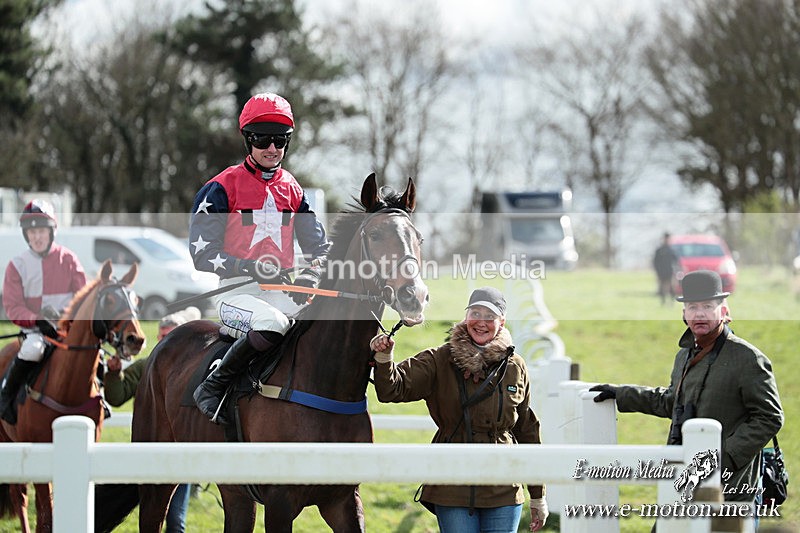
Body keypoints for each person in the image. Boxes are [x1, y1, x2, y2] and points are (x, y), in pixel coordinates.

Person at [188, 92, 331, 425]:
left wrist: (310, 276)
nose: (272, 148)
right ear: (248, 139)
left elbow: (320, 248)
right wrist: (248, 266)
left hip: (280, 292)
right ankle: (213, 386)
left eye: (280, 140)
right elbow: (200, 253)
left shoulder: (294, 190)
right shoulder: (221, 187)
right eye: (264, 139)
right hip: (234, 294)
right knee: (273, 323)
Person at [591, 271, 783, 509]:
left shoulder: (748, 358)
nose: (699, 313)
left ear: (723, 311)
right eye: (692, 307)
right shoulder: (684, 355)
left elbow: (770, 418)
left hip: (731, 490)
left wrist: (725, 457)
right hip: (683, 479)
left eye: (707, 306)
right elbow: (671, 402)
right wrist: (621, 394)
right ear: (684, 314)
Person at [369, 287, 549, 533]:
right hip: (451, 484)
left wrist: (538, 495)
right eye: (476, 313)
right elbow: (392, 389)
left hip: (504, 487)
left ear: (502, 322)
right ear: (466, 317)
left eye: (490, 316)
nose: (481, 322)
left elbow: (527, 429)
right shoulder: (440, 359)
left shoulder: (515, 366)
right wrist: (384, 357)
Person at [103, 306, 201, 533]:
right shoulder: (144, 366)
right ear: (159, 337)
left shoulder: (195, 371)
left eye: (173, 335)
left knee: (176, 524)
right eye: (165, 336)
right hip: (152, 452)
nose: (170, 341)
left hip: (182, 456)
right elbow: (116, 397)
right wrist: (113, 375)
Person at [0, 200, 87, 424]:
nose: (37, 237)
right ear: (26, 235)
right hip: (36, 332)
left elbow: (82, 298)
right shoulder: (17, 265)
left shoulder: (69, 260)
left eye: (41, 231)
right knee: (32, 350)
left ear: (51, 232)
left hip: (67, 331)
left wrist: (68, 321)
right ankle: (6, 396)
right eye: (32, 232)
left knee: (89, 351)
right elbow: (13, 306)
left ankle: (98, 399)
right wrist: (36, 320)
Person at [652, 232, 679, 305]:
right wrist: (657, 271)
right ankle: (663, 302)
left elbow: (676, 261)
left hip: (670, 272)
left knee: (672, 288)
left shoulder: (671, 250)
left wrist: (677, 271)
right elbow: (655, 262)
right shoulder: (659, 250)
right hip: (661, 272)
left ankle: (672, 302)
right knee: (662, 288)